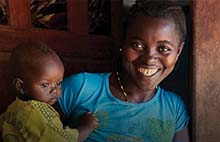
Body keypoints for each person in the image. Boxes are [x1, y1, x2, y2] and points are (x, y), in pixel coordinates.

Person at [58, 0, 190, 141]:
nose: (149, 58)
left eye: (164, 49)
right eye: (137, 45)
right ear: (123, 42)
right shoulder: (80, 88)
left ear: (178, 52)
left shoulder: (174, 108)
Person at [0, 41, 98, 142]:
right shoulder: (37, 113)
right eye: (45, 85)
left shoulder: (13, 108)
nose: (55, 90)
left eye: (58, 83)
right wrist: (87, 126)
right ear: (20, 86)